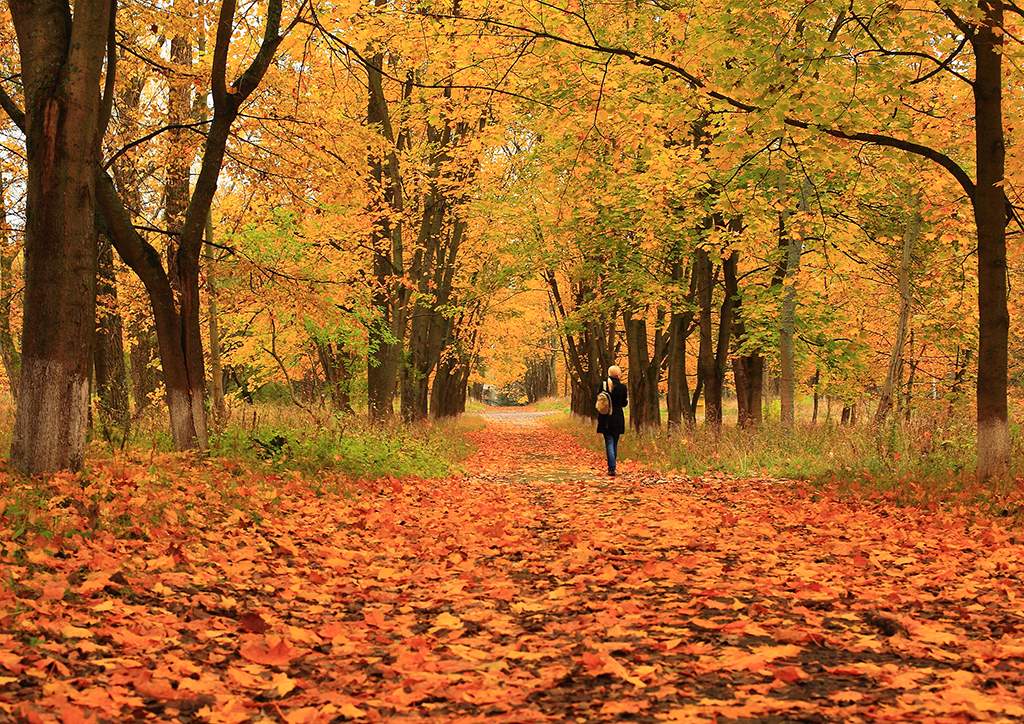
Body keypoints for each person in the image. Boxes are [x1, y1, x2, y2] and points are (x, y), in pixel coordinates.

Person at [596, 365, 628, 476]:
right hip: (617, 417)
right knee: (614, 442)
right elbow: (624, 403)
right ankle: (613, 467)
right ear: (618, 374)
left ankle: (611, 468)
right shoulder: (622, 387)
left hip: (605, 418)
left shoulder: (604, 385)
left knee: (608, 441)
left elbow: (599, 399)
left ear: (609, 373)